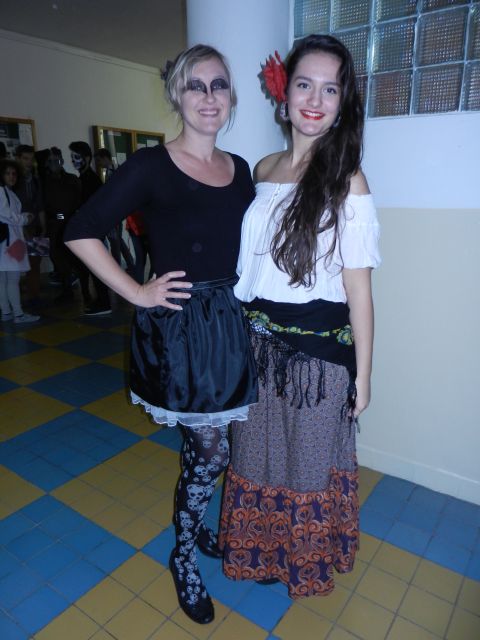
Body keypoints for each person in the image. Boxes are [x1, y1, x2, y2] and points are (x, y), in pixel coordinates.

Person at [64, 44, 257, 624]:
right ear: (177, 94)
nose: (208, 97)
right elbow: (80, 230)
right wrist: (136, 291)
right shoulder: (151, 165)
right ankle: (184, 556)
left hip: (230, 322)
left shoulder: (240, 168)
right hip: (182, 328)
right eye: (196, 85)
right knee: (211, 450)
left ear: (231, 96)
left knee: (218, 448)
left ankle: (193, 531)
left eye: (218, 85)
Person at [219, 35, 381, 599]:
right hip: (256, 349)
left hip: (318, 359)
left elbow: (359, 290)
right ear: (283, 94)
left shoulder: (347, 180)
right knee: (257, 456)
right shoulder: (263, 169)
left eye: (330, 89)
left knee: (307, 466)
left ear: (342, 103)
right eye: (305, 85)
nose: (315, 100)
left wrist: (364, 376)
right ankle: (263, 554)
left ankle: (305, 563)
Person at [69, 141, 112, 315]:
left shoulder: (91, 180)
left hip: (91, 232)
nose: (73, 161)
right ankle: (99, 300)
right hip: (89, 231)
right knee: (90, 267)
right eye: (72, 157)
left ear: (86, 158)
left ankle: (104, 302)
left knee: (96, 267)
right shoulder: (84, 178)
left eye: (76, 157)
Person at [36, 147, 81, 302]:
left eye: (56, 160)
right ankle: (66, 290)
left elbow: (79, 201)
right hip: (53, 225)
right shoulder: (43, 182)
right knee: (56, 258)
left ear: (61, 160)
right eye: (50, 161)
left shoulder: (72, 179)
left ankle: (84, 291)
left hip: (70, 223)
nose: (54, 163)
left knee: (73, 258)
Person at [0, 159, 40, 323]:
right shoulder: (2, 192)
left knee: (4, 280)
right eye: (7, 173)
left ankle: (7, 312)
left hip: (7, 241)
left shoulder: (7, 192)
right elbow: (6, 215)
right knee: (12, 280)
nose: (11, 177)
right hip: (10, 242)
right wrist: (25, 218)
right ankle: (18, 314)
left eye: (14, 174)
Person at [14, 145, 46, 308]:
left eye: (31, 159)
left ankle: (34, 295)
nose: (28, 162)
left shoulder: (35, 179)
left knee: (35, 263)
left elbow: (40, 205)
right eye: (25, 159)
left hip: (35, 226)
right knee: (16, 265)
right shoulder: (13, 180)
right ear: (18, 158)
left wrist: (43, 227)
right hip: (18, 227)